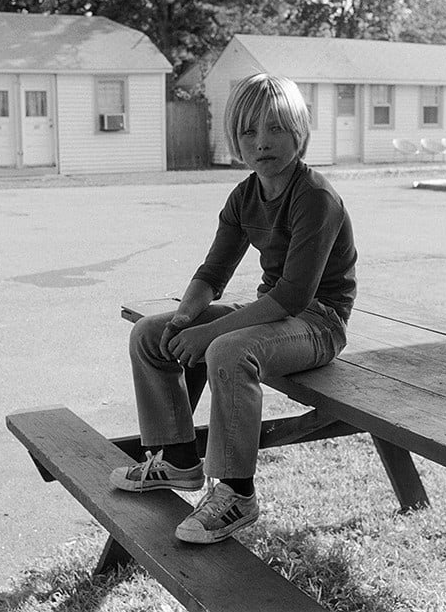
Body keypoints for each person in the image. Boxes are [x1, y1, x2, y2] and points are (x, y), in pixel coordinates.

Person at [110, 73, 357, 544]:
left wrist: (206, 335)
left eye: (276, 129)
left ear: (298, 133)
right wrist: (185, 319)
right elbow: (211, 273)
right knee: (149, 334)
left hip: (318, 322)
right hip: (275, 315)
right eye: (249, 131)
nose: (262, 142)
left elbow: (293, 297)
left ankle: (238, 494)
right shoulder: (246, 195)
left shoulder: (316, 198)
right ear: (235, 138)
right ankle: (180, 459)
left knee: (226, 350)